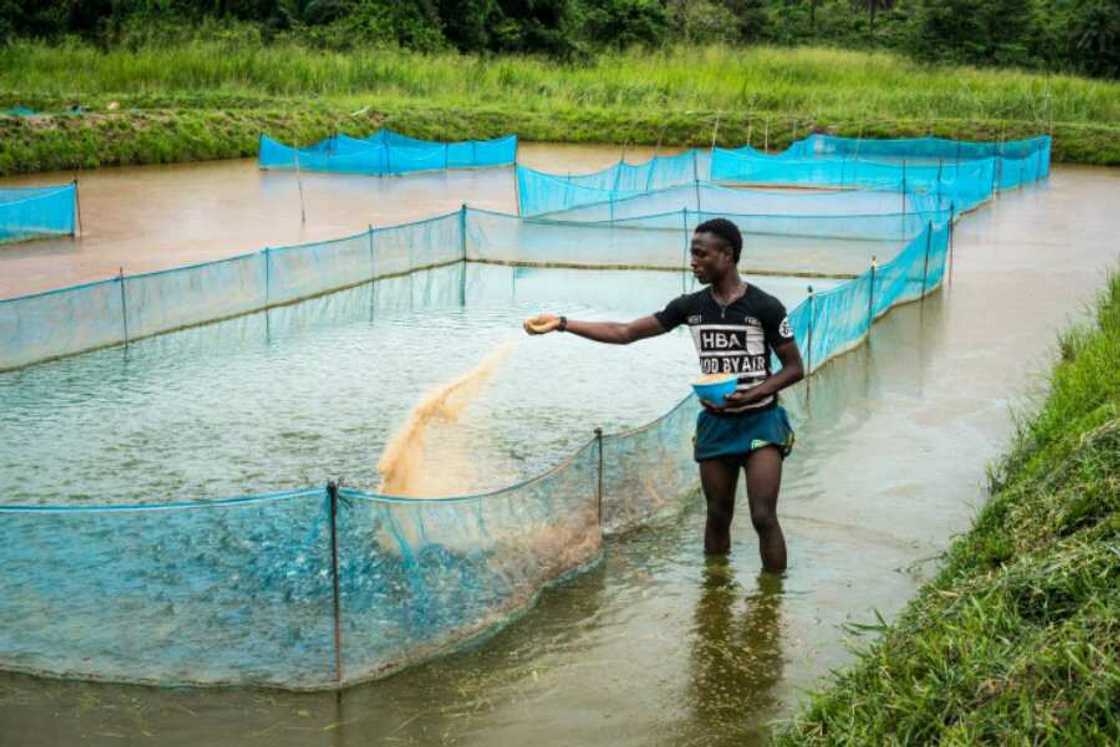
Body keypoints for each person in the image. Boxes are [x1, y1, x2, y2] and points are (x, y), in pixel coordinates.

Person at [523, 218, 803, 572]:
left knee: (763, 516)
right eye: (692, 253)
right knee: (717, 515)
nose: (693, 262)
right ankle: (715, 595)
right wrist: (562, 323)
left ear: (727, 255)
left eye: (701, 254)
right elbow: (624, 332)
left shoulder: (765, 307)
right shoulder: (691, 307)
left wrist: (752, 395)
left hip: (761, 423)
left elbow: (794, 368)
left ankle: (771, 605)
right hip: (716, 424)